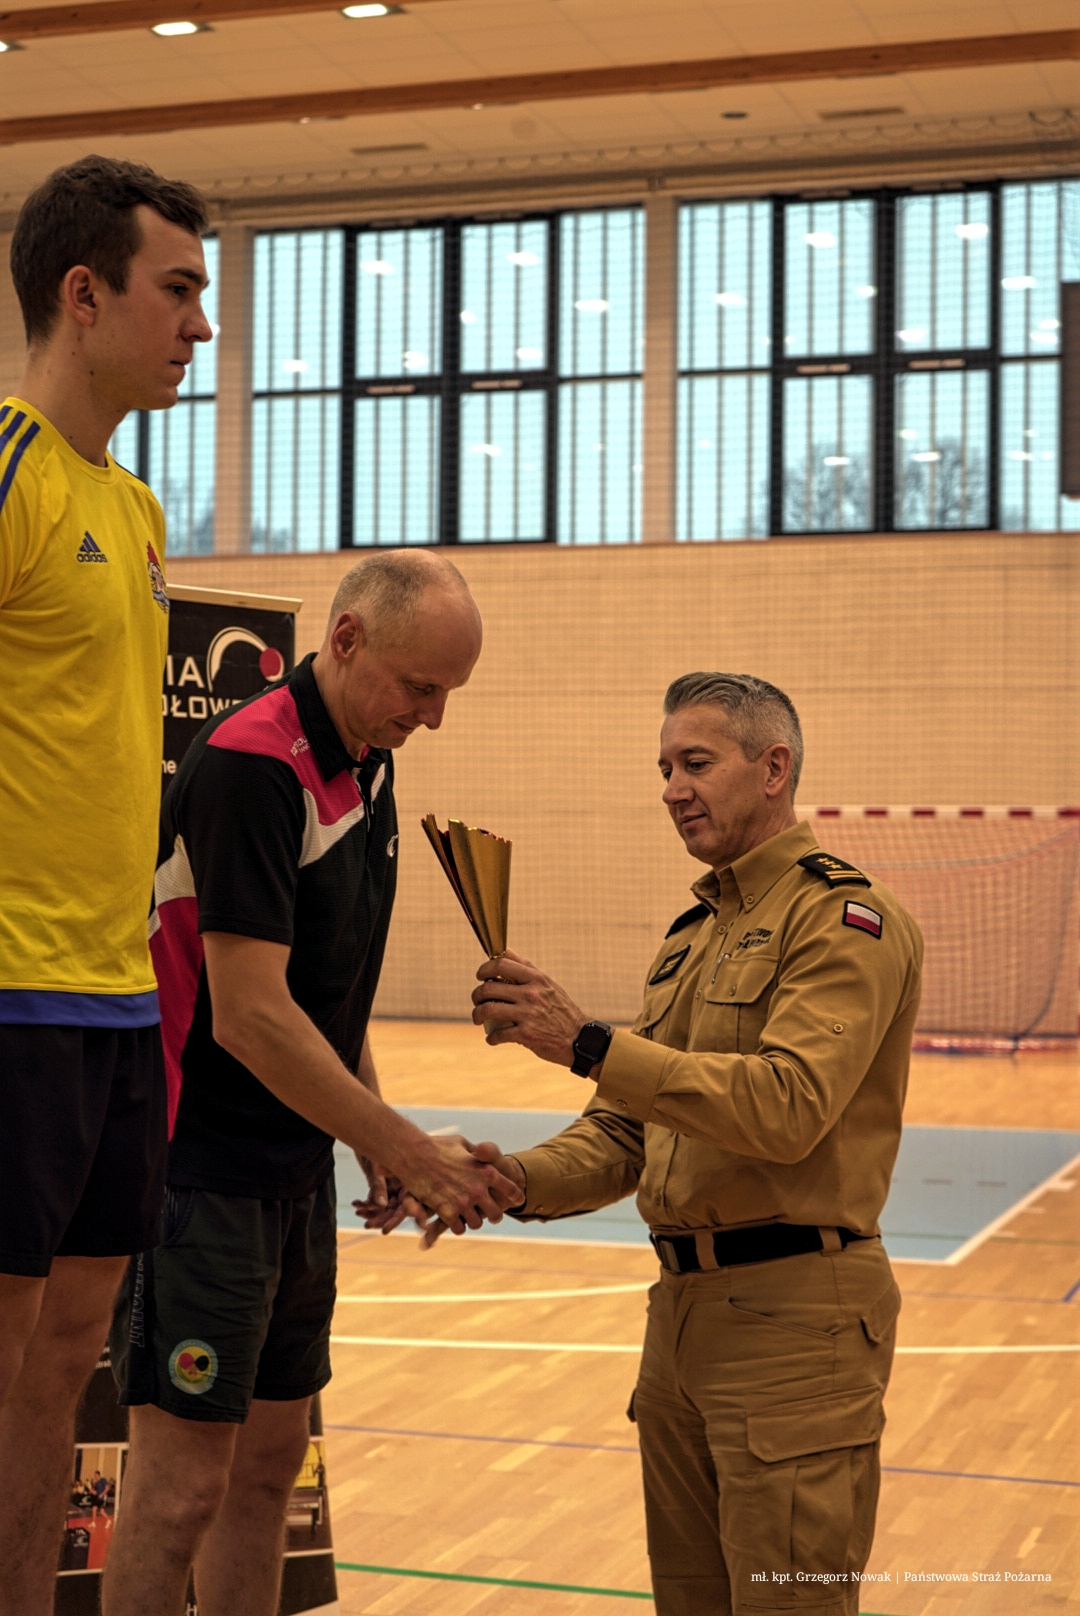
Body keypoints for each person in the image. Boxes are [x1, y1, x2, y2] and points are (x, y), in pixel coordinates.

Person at [103, 550, 522, 1616]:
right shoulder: (254, 765)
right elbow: (249, 1014)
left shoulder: (369, 759)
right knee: (179, 1491)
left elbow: (324, 991)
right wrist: (403, 1143)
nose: (434, 716)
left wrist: (372, 1136)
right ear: (344, 640)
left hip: (290, 1178)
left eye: (449, 692)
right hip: (197, 1176)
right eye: (420, 686)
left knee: (269, 1471)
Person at [461, 673, 923, 1616]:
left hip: (796, 1326)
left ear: (773, 768)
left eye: (696, 764)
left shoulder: (842, 919)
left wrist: (589, 1043)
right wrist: (511, 1179)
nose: (673, 788)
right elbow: (627, 1131)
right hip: (678, 1322)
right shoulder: (693, 936)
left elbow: (788, 1106)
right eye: (665, 767)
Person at [0, 155, 213, 1613]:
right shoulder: (9, 471)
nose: (200, 324)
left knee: (66, 1357)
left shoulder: (133, 508)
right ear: (85, 294)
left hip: (117, 1000)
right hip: (11, 996)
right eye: (178, 288)